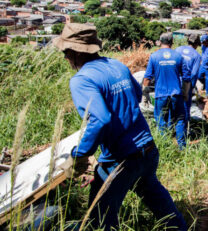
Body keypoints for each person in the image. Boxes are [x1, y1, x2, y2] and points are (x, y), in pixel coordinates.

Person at [54, 23, 187, 231]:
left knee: (99, 218)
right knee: (156, 197)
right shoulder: (116, 66)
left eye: (65, 52)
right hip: (147, 150)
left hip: (120, 161)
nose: (65, 58)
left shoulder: (82, 80)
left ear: (74, 52)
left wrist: (80, 154)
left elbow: (100, 119)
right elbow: (134, 96)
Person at [143, 32, 191, 149]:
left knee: (161, 120)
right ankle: (182, 147)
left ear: (160, 42)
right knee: (180, 119)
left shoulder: (154, 56)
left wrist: (145, 95)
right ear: (172, 42)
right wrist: (185, 93)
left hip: (161, 95)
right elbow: (186, 78)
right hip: (176, 94)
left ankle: (165, 147)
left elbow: (147, 78)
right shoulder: (178, 56)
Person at [175, 33, 202, 125]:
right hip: (186, 83)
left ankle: (171, 127)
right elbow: (194, 74)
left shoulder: (178, 49)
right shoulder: (197, 55)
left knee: (173, 103)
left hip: (174, 81)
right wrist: (192, 86)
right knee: (185, 106)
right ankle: (185, 128)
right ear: (196, 44)